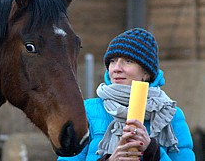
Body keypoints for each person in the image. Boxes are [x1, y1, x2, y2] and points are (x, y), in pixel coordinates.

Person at [57, 27, 195, 161]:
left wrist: (152, 151)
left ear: (146, 73)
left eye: (128, 61)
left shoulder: (170, 115)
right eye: (113, 61)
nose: (117, 68)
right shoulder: (86, 111)